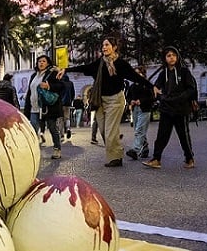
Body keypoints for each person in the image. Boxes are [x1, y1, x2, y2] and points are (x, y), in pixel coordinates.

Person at [59, 36, 157, 167]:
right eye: (103, 45)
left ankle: (115, 157)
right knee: (104, 131)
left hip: (116, 100)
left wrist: (152, 86)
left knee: (110, 130)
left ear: (114, 47)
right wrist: (66, 69)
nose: (104, 47)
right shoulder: (99, 63)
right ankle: (116, 152)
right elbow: (84, 68)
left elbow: (135, 77)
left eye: (107, 45)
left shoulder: (121, 64)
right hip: (100, 101)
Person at [143, 46, 197, 170]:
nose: (171, 57)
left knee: (183, 135)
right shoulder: (163, 73)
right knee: (161, 135)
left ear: (177, 57)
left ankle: (189, 158)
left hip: (181, 109)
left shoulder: (184, 71)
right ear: (165, 59)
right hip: (167, 108)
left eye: (173, 55)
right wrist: (159, 95)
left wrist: (181, 98)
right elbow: (156, 86)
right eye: (168, 56)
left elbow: (191, 88)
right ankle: (156, 159)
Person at [24, 55, 65, 159]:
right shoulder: (34, 76)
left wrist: (49, 86)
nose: (41, 63)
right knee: (33, 129)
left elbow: (61, 86)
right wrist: (27, 109)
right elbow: (30, 92)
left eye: (43, 61)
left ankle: (57, 149)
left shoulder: (52, 73)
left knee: (52, 128)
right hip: (34, 107)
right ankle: (33, 149)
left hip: (48, 108)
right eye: (39, 61)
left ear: (48, 63)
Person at [125, 66, 153, 160]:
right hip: (135, 110)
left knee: (139, 130)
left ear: (143, 74)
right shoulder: (132, 86)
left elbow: (152, 97)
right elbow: (128, 96)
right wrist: (131, 101)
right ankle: (145, 149)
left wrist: (141, 101)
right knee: (138, 129)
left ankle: (135, 150)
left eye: (138, 73)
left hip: (145, 109)